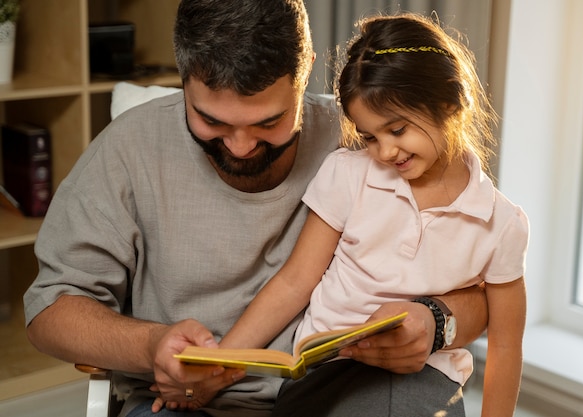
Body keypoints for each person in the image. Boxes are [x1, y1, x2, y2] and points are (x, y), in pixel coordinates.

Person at [23, 2, 488, 417]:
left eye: (270, 121)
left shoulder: (367, 140)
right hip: (181, 402)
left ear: (305, 72)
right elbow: (50, 312)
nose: (242, 147)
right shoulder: (129, 148)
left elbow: (485, 292)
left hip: (338, 391)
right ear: (183, 78)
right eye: (211, 121)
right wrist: (150, 345)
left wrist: (437, 320)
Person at [220, 12, 529, 417]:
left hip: (426, 378)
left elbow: (506, 344)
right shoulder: (348, 174)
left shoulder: (501, 223)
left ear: (449, 103)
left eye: (397, 130)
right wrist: (222, 362)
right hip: (329, 369)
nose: (384, 152)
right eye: (369, 136)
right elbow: (295, 281)